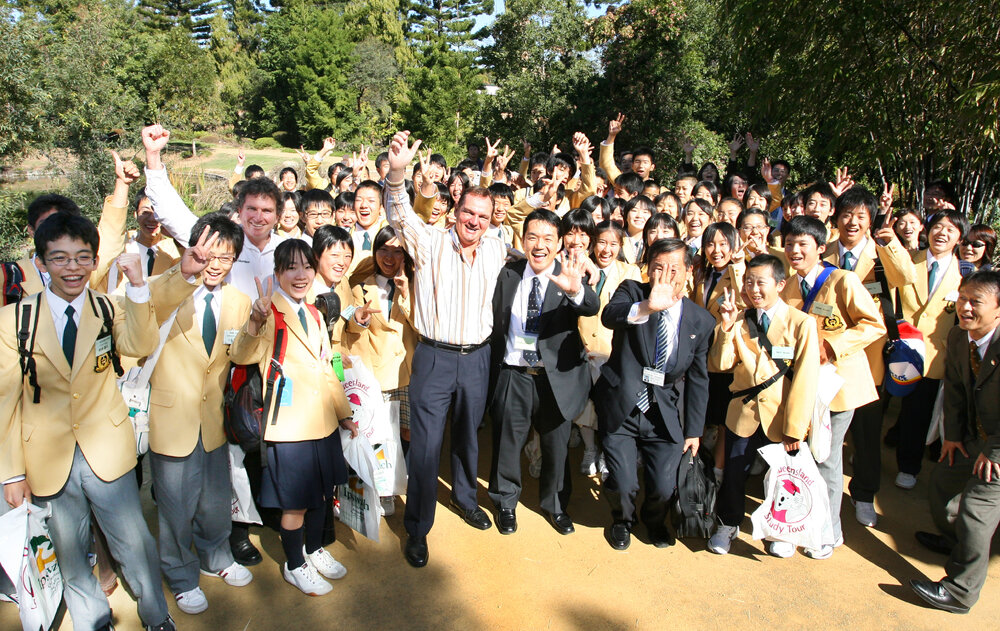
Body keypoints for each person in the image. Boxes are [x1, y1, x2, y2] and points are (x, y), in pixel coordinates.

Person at [0, 213, 182, 631]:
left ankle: (156, 614)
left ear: (95, 259)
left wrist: (138, 285)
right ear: (41, 262)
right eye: (60, 258)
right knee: (69, 549)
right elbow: (6, 402)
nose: (73, 268)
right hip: (46, 457)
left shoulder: (106, 306)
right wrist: (11, 473)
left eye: (83, 257)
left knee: (135, 542)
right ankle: (93, 619)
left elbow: (139, 344)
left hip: (107, 449)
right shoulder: (15, 321)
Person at [383, 130, 507, 568]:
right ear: (454, 211)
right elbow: (399, 214)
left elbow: (539, 254)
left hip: (478, 359)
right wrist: (397, 172)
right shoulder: (430, 242)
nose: (474, 221)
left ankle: (466, 499)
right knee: (426, 445)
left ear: (492, 220)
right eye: (467, 212)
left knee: (469, 437)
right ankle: (417, 528)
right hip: (433, 357)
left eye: (482, 216)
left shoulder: (498, 250)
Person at [229, 240, 356, 597]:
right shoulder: (270, 312)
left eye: (306, 267)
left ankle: (314, 550)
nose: (300, 275)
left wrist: (343, 413)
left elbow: (327, 367)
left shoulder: (315, 313)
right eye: (291, 268)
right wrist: (255, 319)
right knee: (295, 501)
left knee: (321, 494)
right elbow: (241, 354)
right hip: (289, 427)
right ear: (278, 273)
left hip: (324, 423)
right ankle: (294, 564)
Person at [144, 215, 255, 615]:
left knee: (214, 500)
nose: (216, 263)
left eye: (227, 257)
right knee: (175, 507)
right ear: (193, 249)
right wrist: (181, 275)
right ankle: (179, 574)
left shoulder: (240, 303)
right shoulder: (168, 289)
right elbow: (143, 308)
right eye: (210, 253)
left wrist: (256, 325)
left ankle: (216, 556)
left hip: (213, 422)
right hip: (171, 419)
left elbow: (242, 355)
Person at [593, 238, 715, 550]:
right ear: (648, 269)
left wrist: (693, 431)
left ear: (688, 271)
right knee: (622, 483)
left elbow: (699, 380)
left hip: (664, 412)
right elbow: (610, 316)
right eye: (658, 267)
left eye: (674, 268)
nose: (666, 275)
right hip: (623, 404)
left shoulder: (700, 321)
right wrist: (649, 306)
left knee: (663, 486)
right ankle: (622, 519)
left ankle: (654, 519)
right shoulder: (633, 292)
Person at [487, 209, 599, 535]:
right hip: (514, 374)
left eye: (548, 238)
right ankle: (505, 502)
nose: (539, 245)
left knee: (556, 447)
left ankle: (555, 506)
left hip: (555, 379)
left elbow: (590, 305)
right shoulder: (507, 274)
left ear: (560, 242)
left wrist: (574, 291)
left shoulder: (569, 275)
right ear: (522, 240)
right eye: (532, 237)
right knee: (507, 443)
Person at [780, 215, 885, 559]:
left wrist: (833, 345)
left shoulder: (844, 280)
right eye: (790, 244)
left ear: (821, 248)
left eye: (803, 245)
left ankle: (828, 533)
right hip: (804, 386)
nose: (795, 251)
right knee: (802, 456)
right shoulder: (790, 286)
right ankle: (803, 522)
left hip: (837, 389)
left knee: (826, 457)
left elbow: (874, 324)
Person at [706, 254, 820, 556]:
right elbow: (720, 364)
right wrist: (727, 326)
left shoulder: (801, 323)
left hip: (781, 416)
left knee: (783, 478)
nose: (753, 289)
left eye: (761, 282)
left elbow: (806, 379)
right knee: (733, 472)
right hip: (742, 412)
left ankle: (781, 532)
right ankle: (727, 523)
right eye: (748, 282)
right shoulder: (740, 319)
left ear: (780, 284)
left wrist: (796, 428)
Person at [824, 188, 916, 528]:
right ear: (837, 217)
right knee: (823, 430)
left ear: (870, 220)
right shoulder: (825, 250)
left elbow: (906, 278)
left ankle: (863, 495)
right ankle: (819, 493)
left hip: (868, 358)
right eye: (847, 214)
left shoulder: (881, 253)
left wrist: (890, 242)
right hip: (828, 355)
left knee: (865, 432)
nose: (853, 222)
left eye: (861, 216)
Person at [909, 270, 1000, 614]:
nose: (965, 307)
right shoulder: (961, 338)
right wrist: (953, 437)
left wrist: (995, 452)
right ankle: (956, 542)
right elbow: (957, 392)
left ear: (998, 309)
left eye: (976, 302)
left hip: (998, 445)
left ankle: (961, 592)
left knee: (976, 509)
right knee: (944, 485)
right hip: (973, 435)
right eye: (962, 298)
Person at [894, 210, 969, 489]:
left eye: (951, 230)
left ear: (959, 237)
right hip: (896, 347)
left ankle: (908, 467)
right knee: (878, 405)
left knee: (918, 412)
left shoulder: (964, 275)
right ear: (927, 229)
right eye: (938, 226)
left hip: (933, 357)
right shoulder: (907, 261)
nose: (942, 233)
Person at [576, 221, 641, 475]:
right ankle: (589, 449)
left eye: (613, 244)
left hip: (613, 352)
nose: (606, 249)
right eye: (602, 242)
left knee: (610, 407)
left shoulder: (631, 271)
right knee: (583, 404)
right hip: (582, 348)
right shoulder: (581, 268)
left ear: (621, 246)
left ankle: (606, 452)